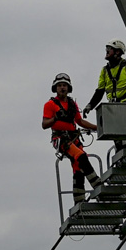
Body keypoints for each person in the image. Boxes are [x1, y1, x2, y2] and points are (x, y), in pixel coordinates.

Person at [42, 72, 101, 202]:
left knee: (78, 167)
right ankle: (98, 185)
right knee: (81, 157)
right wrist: (55, 118)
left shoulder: (72, 104)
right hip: (61, 139)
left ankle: (79, 200)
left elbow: (80, 121)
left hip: (74, 138)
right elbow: (44, 124)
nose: (62, 88)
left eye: (64, 85)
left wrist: (97, 127)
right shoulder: (50, 104)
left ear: (68, 88)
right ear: (55, 88)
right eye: (59, 85)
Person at [84, 40, 126, 113]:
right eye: (106, 48)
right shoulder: (104, 71)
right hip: (113, 107)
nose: (107, 51)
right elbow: (100, 91)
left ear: (117, 52)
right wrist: (90, 105)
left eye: (109, 48)